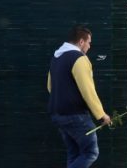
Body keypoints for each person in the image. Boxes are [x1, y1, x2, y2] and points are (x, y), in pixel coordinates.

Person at [47, 25, 111, 168]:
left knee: (74, 153)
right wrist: (101, 115)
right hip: (75, 115)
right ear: (81, 42)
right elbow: (88, 90)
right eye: (89, 42)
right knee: (90, 153)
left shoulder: (56, 57)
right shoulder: (79, 58)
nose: (89, 46)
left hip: (57, 113)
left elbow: (50, 87)